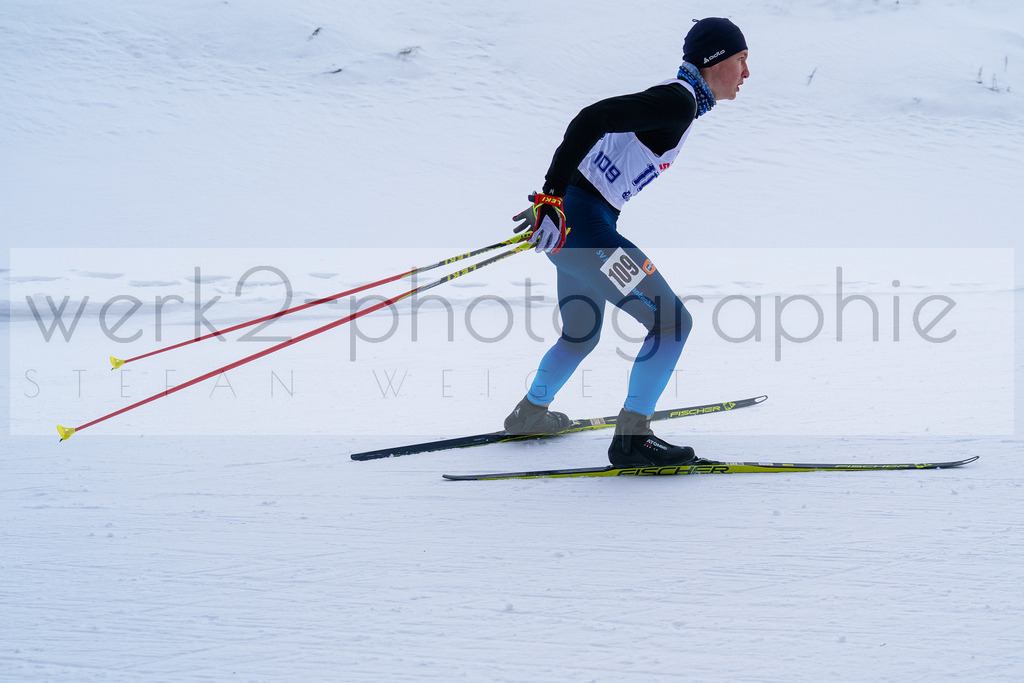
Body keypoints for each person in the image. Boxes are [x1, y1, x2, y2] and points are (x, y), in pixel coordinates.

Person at [502, 17, 750, 468]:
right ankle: (633, 438)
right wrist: (552, 195)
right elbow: (592, 117)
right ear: (715, 61)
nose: (746, 74)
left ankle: (529, 414)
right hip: (587, 232)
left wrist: (555, 201)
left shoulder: (680, 103)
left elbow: (596, 150)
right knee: (673, 323)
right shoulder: (678, 101)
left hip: (571, 232)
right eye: (741, 60)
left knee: (580, 335)